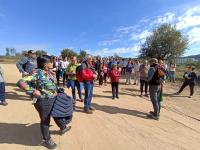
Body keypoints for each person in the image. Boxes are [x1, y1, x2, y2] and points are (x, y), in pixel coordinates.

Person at [17, 55, 68, 149]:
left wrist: (57, 90)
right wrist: (33, 91)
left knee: (56, 113)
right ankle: (47, 139)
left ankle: (63, 127)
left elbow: (50, 84)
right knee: (45, 120)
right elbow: (21, 82)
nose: (52, 63)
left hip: (52, 98)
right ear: (45, 64)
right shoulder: (37, 73)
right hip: (43, 101)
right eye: (51, 62)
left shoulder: (48, 72)